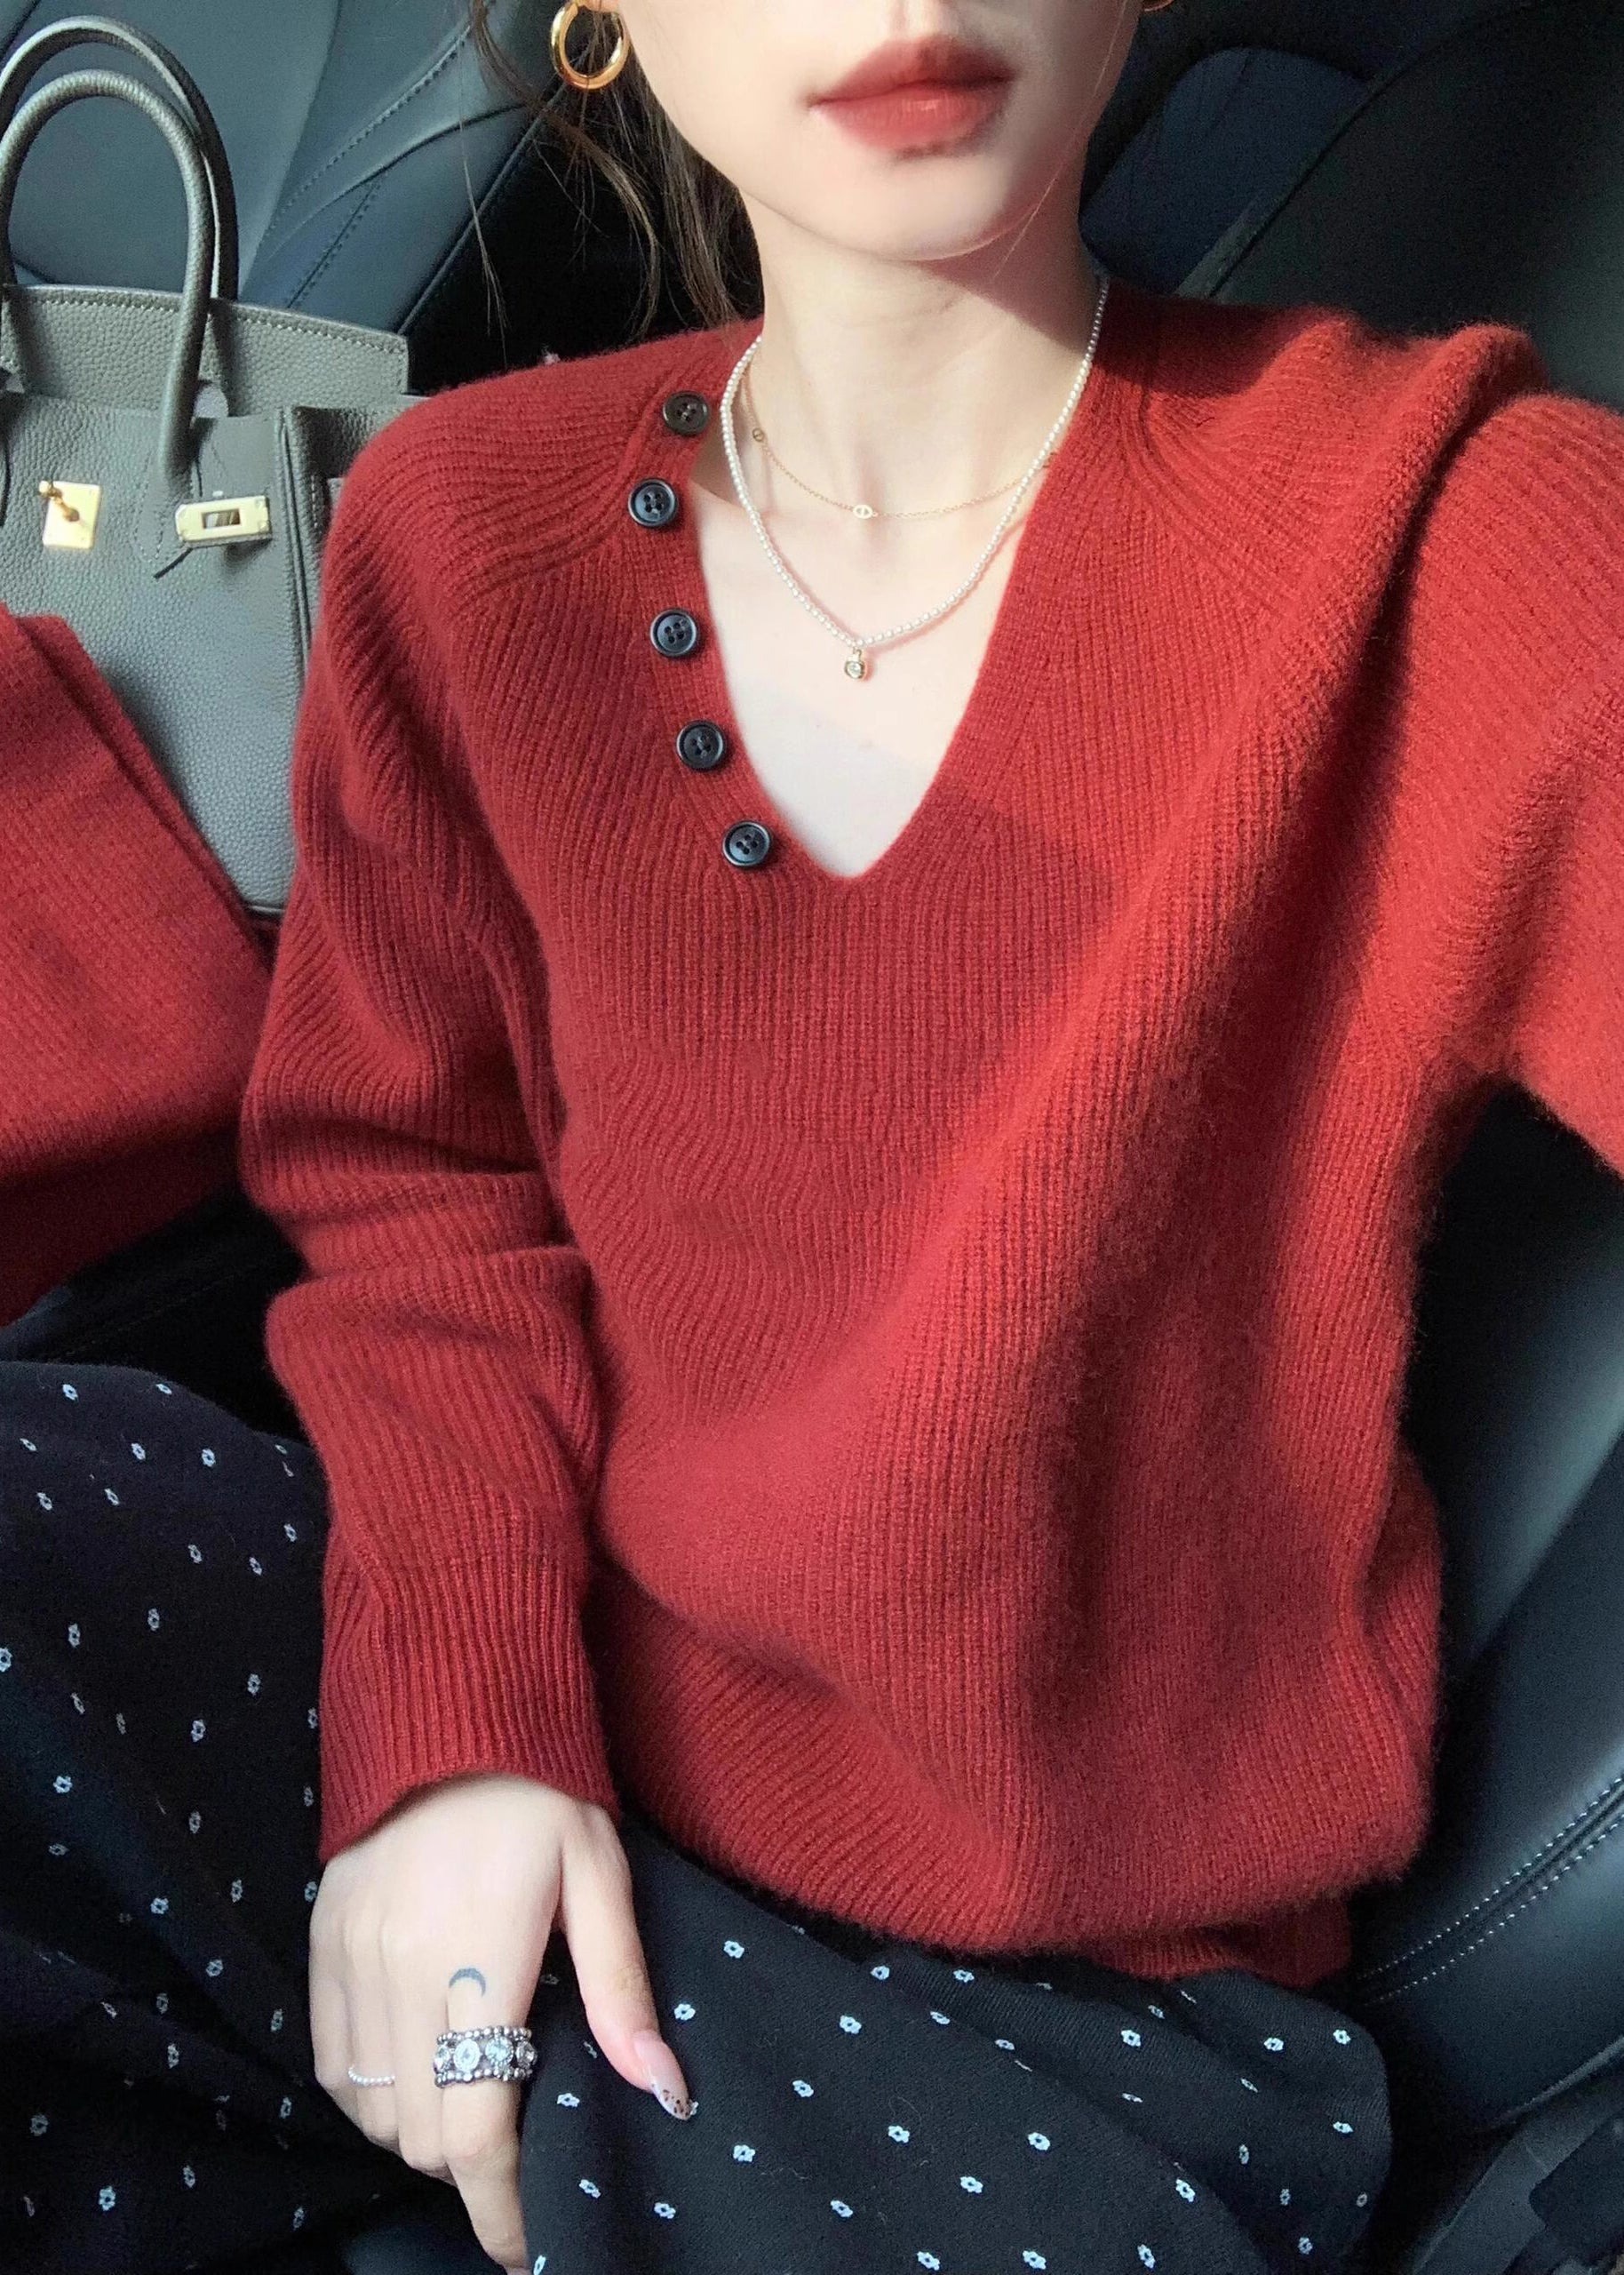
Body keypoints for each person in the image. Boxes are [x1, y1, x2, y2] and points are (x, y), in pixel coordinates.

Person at [5, 0, 1623, 2270]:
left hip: (1068, 2023)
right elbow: (418, 1197)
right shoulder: (461, 538)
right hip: (473, 1695)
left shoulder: (1453, 535)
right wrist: (459, 1727)